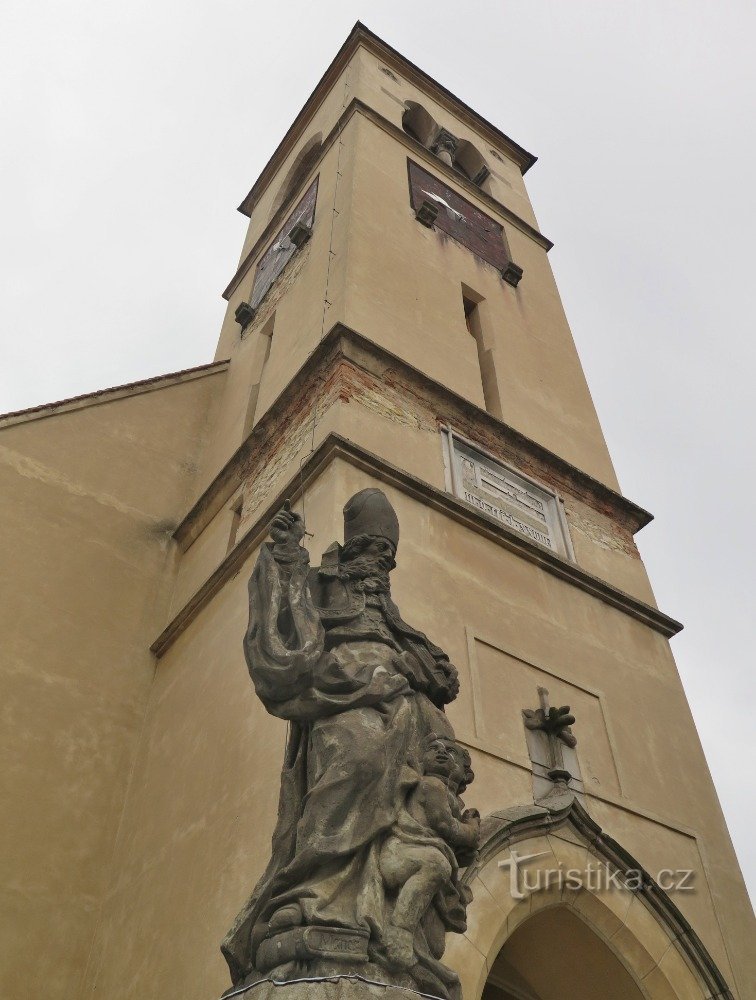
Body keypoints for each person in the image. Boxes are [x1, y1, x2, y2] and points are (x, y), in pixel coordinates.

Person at [221, 490, 472, 1000]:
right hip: (337, 695)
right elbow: (288, 626)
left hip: (398, 709)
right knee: (349, 769)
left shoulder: (391, 611)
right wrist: (286, 557)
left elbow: (441, 675)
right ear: (354, 550)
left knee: (389, 803)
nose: (379, 564)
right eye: (373, 553)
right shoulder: (324, 583)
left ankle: (367, 911)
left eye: (387, 557)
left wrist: (417, 666)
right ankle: (311, 890)